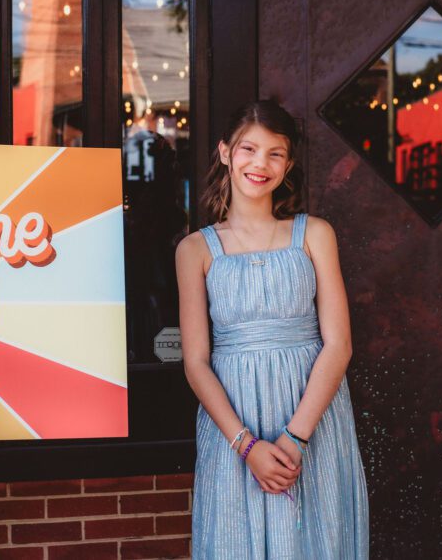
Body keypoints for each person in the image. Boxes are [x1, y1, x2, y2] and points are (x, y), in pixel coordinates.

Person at [176, 100, 369, 558]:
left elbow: (338, 345)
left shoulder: (315, 234)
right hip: (233, 428)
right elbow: (195, 361)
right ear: (225, 152)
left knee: (316, 540)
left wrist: (294, 438)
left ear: (289, 164)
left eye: (275, 153)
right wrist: (247, 447)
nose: (260, 163)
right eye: (248, 149)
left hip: (312, 420)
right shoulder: (194, 250)